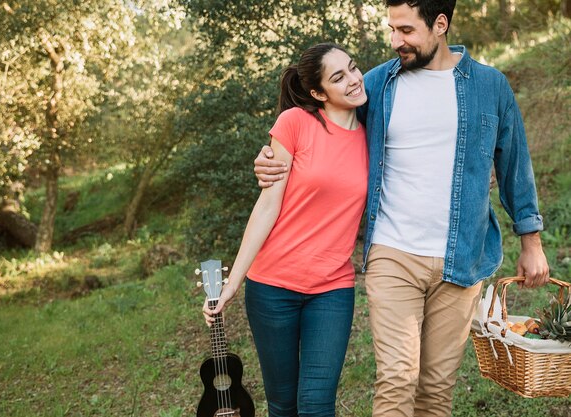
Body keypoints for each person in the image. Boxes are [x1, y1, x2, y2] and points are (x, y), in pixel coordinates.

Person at [253, 1, 550, 416]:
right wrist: (271, 158)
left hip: (462, 257)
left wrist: (531, 241)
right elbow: (319, 123)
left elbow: (515, 163)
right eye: (392, 29)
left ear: (440, 25)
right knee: (396, 378)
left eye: (406, 30)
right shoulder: (376, 85)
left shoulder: (490, 86)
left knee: (435, 389)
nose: (396, 41)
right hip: (393, 253)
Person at [203, 43, 369, 417]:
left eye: (353, 68)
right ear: (317, 92)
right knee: (283, 403)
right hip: (272, 287)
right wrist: (232, 284)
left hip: (332, 289)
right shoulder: (295, 123)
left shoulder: (374, 132)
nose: (354, 80)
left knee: (315, 402)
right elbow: (267, 205)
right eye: (338, 77)